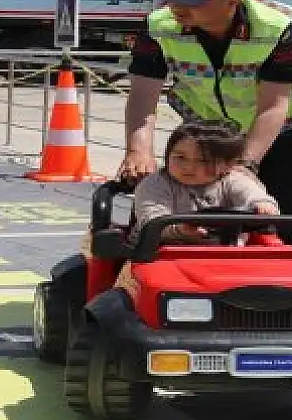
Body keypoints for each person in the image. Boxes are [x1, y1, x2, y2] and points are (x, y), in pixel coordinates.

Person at [118, 0, 292, 246]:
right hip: (208, 135)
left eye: (192, 1)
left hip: (284, 134)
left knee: (282, 227)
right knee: (163, 221)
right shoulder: (158, 26)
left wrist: (244, 164)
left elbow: (273, 105)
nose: (177, 7)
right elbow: (143, 93)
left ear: (232, 0)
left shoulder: (281, 29)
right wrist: (137, 150)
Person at [82, 120, 280, 296]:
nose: (188, 167)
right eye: (180, 157)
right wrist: (181, 230)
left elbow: (255, 195)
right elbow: (153, 219)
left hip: (227, 257)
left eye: (202, 161)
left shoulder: (232, 181)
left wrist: (262, 205)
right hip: (156, 254)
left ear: (227, 165)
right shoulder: (154, 185)